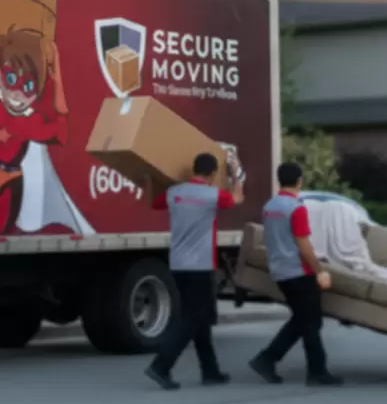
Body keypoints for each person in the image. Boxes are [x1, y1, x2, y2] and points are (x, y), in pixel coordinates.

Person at [145, 152, 239, 390]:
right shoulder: (212, 195)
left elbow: (154, 202)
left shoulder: (174, 193)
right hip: (201, 266)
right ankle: (161, 366)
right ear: (212, 173)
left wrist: (153, 177)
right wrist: (235, 171)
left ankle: (210, 371)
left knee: (201, 319)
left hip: (178, 265)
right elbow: (237, 198)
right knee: (192, 319)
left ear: (194, 170)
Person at [248, 162, 343, 386]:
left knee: (303, 319)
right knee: (310, 321)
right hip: (299, 270)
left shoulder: (270, 206)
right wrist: (319, 271)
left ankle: (268, 360)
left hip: (280, 270)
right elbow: (303, 244)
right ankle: (315, 371)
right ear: (300, 181)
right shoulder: (296, 208)